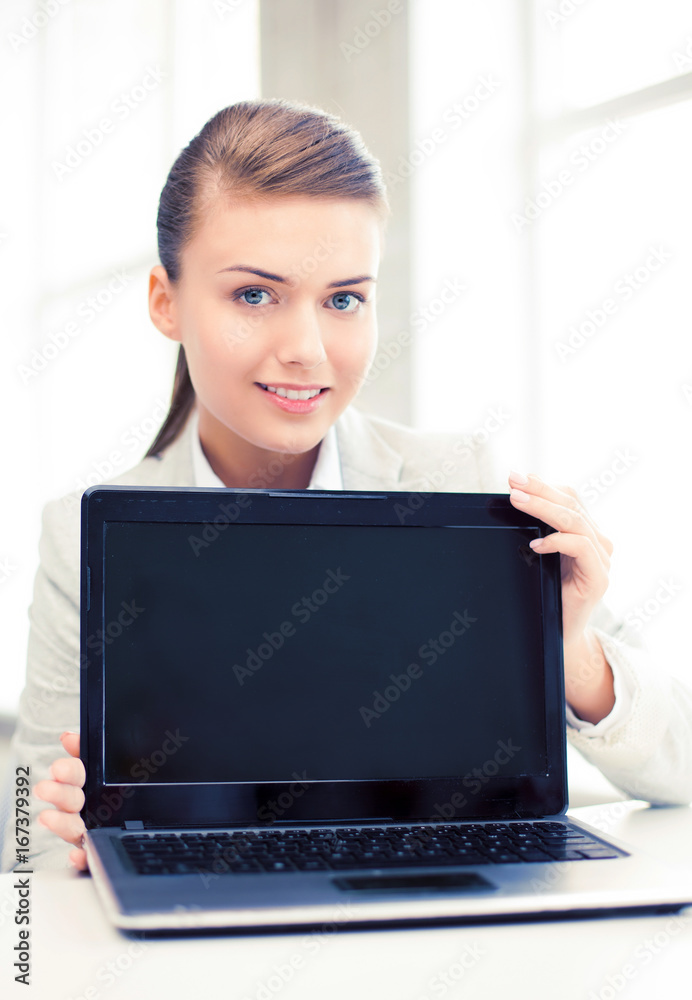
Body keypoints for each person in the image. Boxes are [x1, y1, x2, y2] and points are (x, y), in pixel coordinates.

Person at [3, 98, 691, 874]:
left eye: (343, 300)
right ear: (167, 301)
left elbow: (682, 766)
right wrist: (63, 838)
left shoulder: (457, 485)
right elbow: (22, 845)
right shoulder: (83, 537)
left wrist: (566, 649)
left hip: (444, 926)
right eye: (254, 294)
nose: (307, 349)